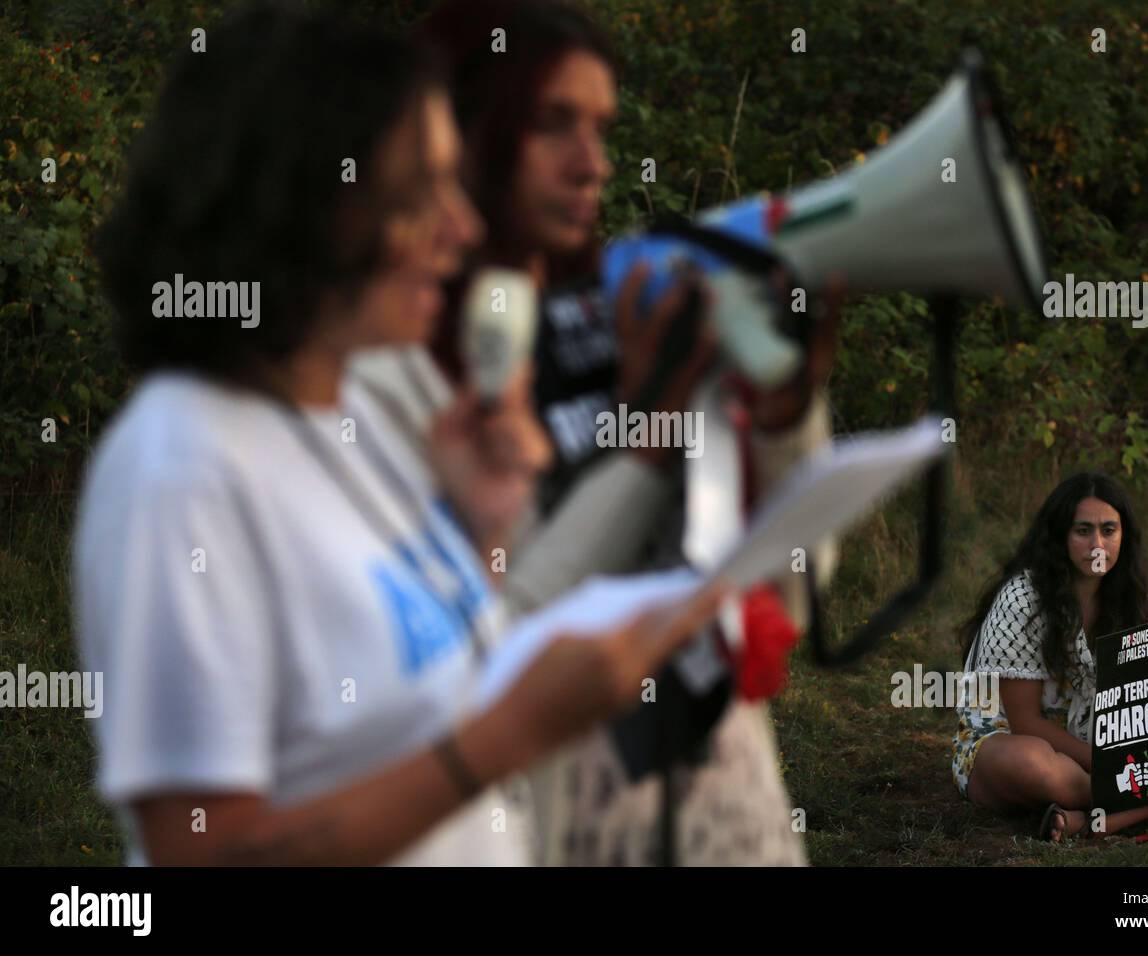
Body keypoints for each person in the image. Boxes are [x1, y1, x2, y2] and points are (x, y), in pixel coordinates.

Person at [75, 2, 720, 867]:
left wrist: (486, 530)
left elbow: (424, 681)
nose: (461, 228)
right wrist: (507, 737)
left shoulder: (343, 417)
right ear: (303, 201)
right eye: (419, 194)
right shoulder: (182, 470)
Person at [409, 0, 842, 865]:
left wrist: (788, 414)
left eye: (602, 128)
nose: (591, 164)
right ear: (464, 129)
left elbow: (795, 591)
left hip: (732, 819)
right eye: (552, 124)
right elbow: (499, 644)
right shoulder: (412, 368)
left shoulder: (638, 311)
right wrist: (646, 432)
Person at [952, 471, 1148, 840]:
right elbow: (1025, 722)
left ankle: (1091, 822)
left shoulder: (1134, 605)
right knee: (1034, 765)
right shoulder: (1023, 599)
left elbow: (1136, 712)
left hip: (1101, 746)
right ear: (1061, 535)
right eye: (1083, 530)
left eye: (1109, 530)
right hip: (1015, 743)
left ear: (1124, 536)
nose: (1097, 544)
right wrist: (1119, 767)